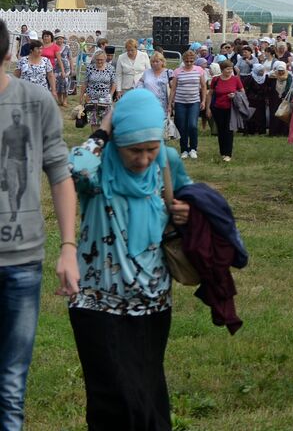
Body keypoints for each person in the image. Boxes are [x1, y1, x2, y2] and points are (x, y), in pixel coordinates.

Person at [67, 89, 193, 429]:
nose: (143, 159)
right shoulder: (95, 172)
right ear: (116, 142)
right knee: (112, 396)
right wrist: (108, 123)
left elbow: (190, 201)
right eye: (134, 150)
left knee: (148, 389)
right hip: (97, 305)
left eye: (151, 148)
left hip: (153, 302)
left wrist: (184, 212)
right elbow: (73, 165)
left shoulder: (167, 162)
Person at [0, 20, 79, 431]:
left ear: (7, 55)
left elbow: (60, 175)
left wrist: (68, 247)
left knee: (10, 384)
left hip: (22, 258)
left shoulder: (36, 102)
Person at [168, 49, 207, 160]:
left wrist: (203, 100)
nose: (189, 63)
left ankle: (193, 148)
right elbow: (173, 89)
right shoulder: (177, 71)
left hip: (194, 101)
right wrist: (170, 104)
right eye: (186, 61)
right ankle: (184, 149)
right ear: (183, 61)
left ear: (194, 60)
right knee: (182, 127)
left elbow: (203, 86)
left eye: (191, 61)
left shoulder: (199, 70)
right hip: (180, 102)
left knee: (192, 125)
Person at [208, 59, 245, 163]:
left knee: (229, 131)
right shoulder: (216, 80)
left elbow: (243, 92)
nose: (229, 71)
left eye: (230, 69)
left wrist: (235, 95)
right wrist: (208, 108)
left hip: (231, 108)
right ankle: (222, 152)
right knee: (221, 131)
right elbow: (210, 94)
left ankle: (228, 153)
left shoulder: (236, 79)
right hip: (218, 108)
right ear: (222, 69)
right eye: (227, 69)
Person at [80, 49, 116, 129]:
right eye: (98, 60)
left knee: (105, 121)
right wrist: (81, 97)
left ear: (105, 59)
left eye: (101, 60)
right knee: (94, 121)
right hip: (91, 98)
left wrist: (111, 95)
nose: (99, 61)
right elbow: (85, 83)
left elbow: (113, 83)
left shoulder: (111, 68)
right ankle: (95, 138)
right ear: (95, 59)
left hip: (105, 98)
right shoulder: (90, 68)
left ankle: (103, 138)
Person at [114, 39, 151, 103]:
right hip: (126, 88)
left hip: (141, 87)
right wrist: (118, 90)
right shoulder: (121, 57)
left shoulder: (144, 55)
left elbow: (148, 72)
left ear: (136, 48)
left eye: (132, 50)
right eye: (128, 50)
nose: (130, 52)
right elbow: (118, 75)